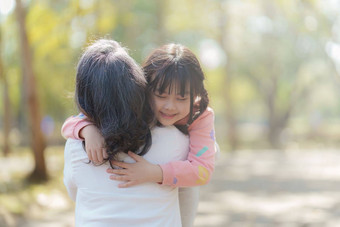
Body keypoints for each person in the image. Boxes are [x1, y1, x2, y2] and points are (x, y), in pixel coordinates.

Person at [62, 43, 217, 227]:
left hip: (189, 161)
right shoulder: (138, 100)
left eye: (182, 98)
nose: (170, 106)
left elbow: (202, 170)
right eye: (161, 95)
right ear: (145, 86)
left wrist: (155, 172)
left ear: (195, 96)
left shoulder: (200, 115)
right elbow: (72, 122)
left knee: (213, 153)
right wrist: (87, 129)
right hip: (174, 158)